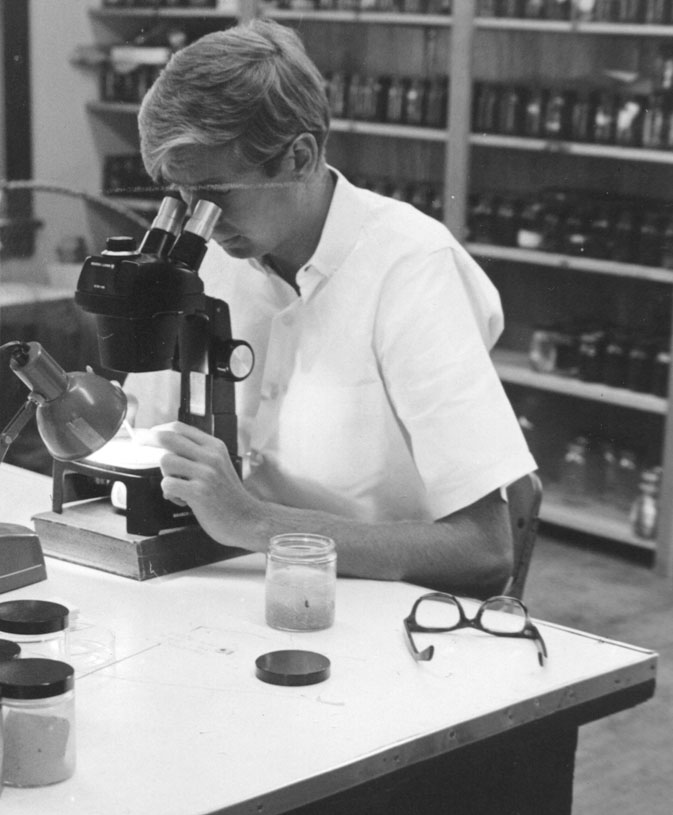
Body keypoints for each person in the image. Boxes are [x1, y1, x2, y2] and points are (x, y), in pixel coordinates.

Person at [125, 18, 536, 598]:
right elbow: (149, 435)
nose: (200, 223)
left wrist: (252, 522)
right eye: (182, 196)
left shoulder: (411, 268)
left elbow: (485, 551)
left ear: (298, 156)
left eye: (215, 195)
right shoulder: (217, 254)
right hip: (237, 590)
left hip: (382, 612)